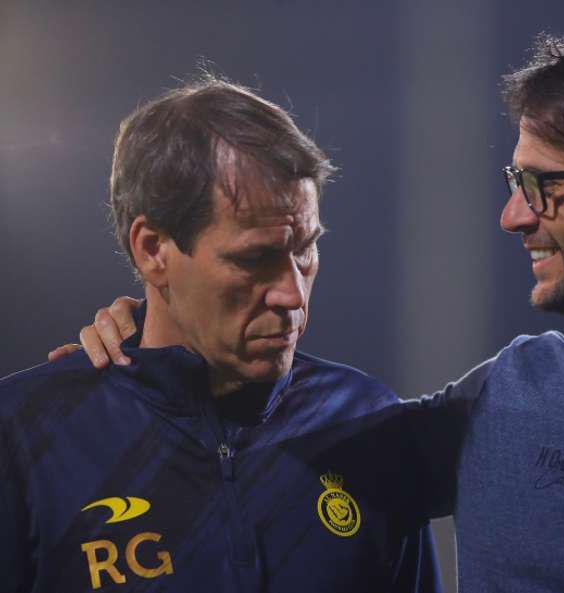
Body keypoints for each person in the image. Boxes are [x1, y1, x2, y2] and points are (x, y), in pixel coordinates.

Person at [52, 18, 564, 593]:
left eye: (544, 186)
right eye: (513, 183)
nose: (515, 213)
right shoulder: (504, 393)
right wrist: (145, 347)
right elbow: (269, 441)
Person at [1, 76, 441, 592]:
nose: (293, 294)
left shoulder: (363, 422)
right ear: (152, 249)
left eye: (305, 249)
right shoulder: (29, 437)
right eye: (254, 258)